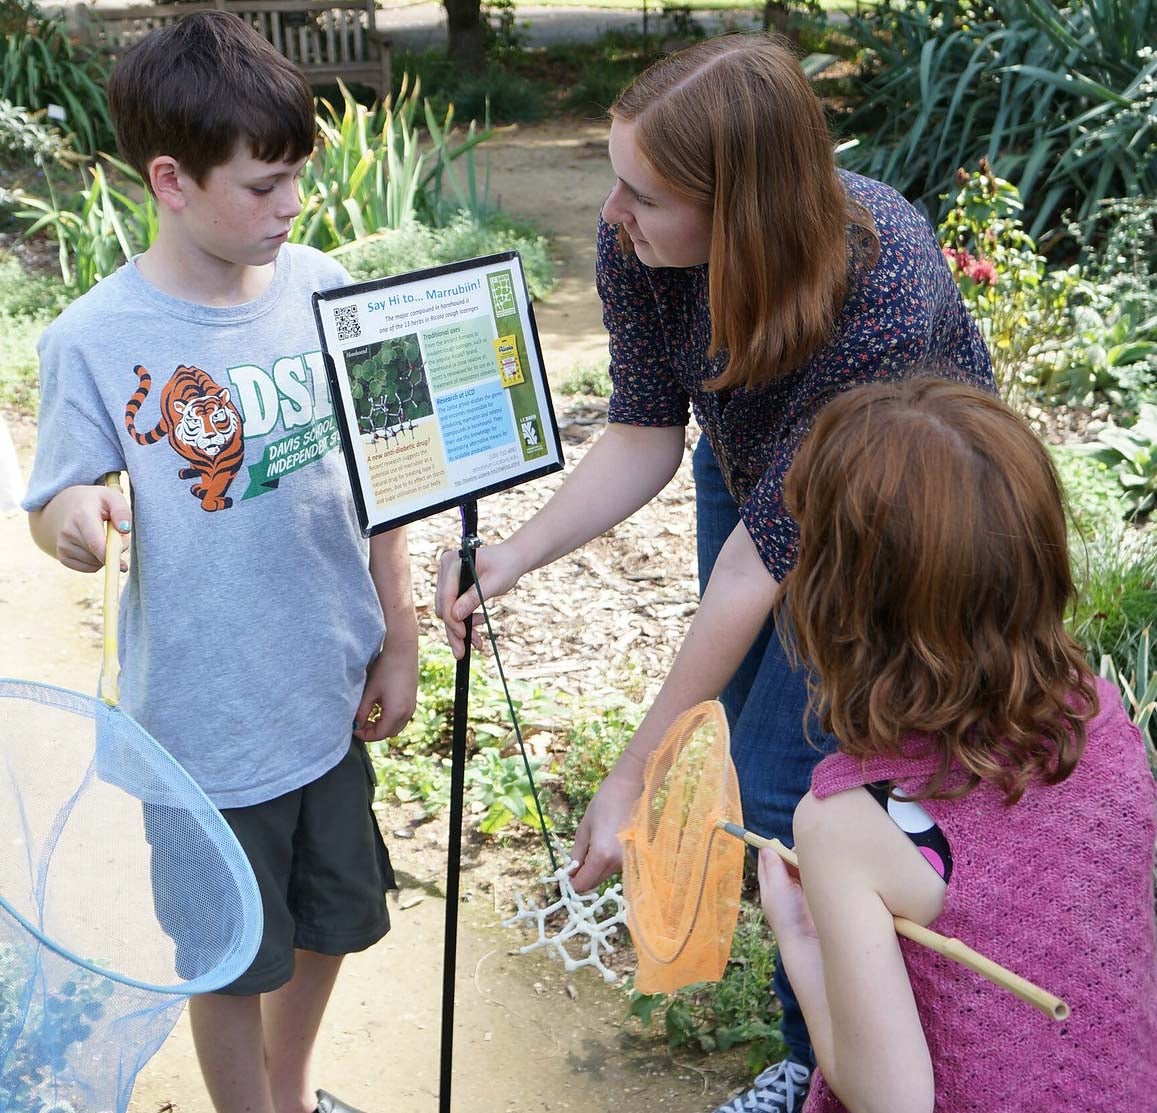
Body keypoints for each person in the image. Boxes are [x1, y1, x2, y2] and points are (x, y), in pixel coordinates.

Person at [435, 34, 993, 1112]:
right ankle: (835, 1036)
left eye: (643, 193)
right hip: (751, 473)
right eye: (615, 177)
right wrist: (515, 551)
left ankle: (836, 1062)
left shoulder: (879, 278)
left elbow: (757, 570)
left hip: (903, 514)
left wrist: (633, 773)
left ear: (738, 206)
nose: (610, 213)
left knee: (807, 786)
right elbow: (644, 431)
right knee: (745, 744)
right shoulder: (636, 247)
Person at [22, 13, 418, 1113]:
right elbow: (56, 498)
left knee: (335, 916)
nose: (291, 205)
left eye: (299, 178)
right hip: (202, 722)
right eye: (263, 184)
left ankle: (289, 1090)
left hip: (328, 693)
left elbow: (391, 477)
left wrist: (400, 632)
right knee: (230, 956)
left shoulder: (327, 285)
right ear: (171, 179)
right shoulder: (94, 339)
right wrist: (76, 519)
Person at [758, 377, 1157, 1112]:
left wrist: (797, 933)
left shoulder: (852, 821)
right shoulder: (1105, 725)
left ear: (839, 604)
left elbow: (891, 1099)